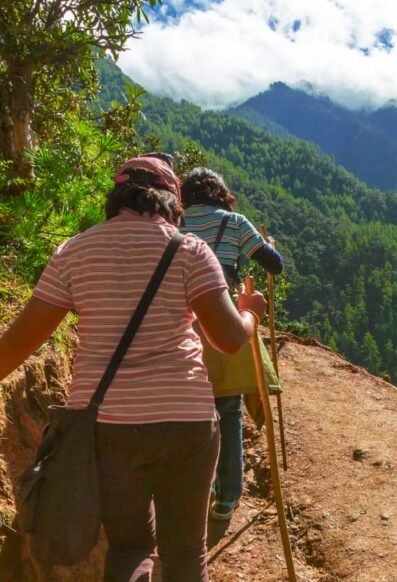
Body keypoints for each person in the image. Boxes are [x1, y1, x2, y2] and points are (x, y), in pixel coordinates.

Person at [0, 155, 267, 582]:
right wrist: (250, 314)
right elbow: (227, 339)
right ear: (172, 202)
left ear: (116, 197)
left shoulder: (75, 251)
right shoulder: (191, 251)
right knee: (186, 550)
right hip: (186, 420)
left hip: (108, 424)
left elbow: (25, 336)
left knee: (130, 546)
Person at [179, 167, 284, 527]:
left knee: (192, 411)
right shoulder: (235, 222)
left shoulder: (174, 223)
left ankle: (198, 488)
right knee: (229, 410)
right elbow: (274, 265)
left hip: (183, 323)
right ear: (221, 193)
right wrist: (269, 246)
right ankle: (226, 498)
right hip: (224, 317)